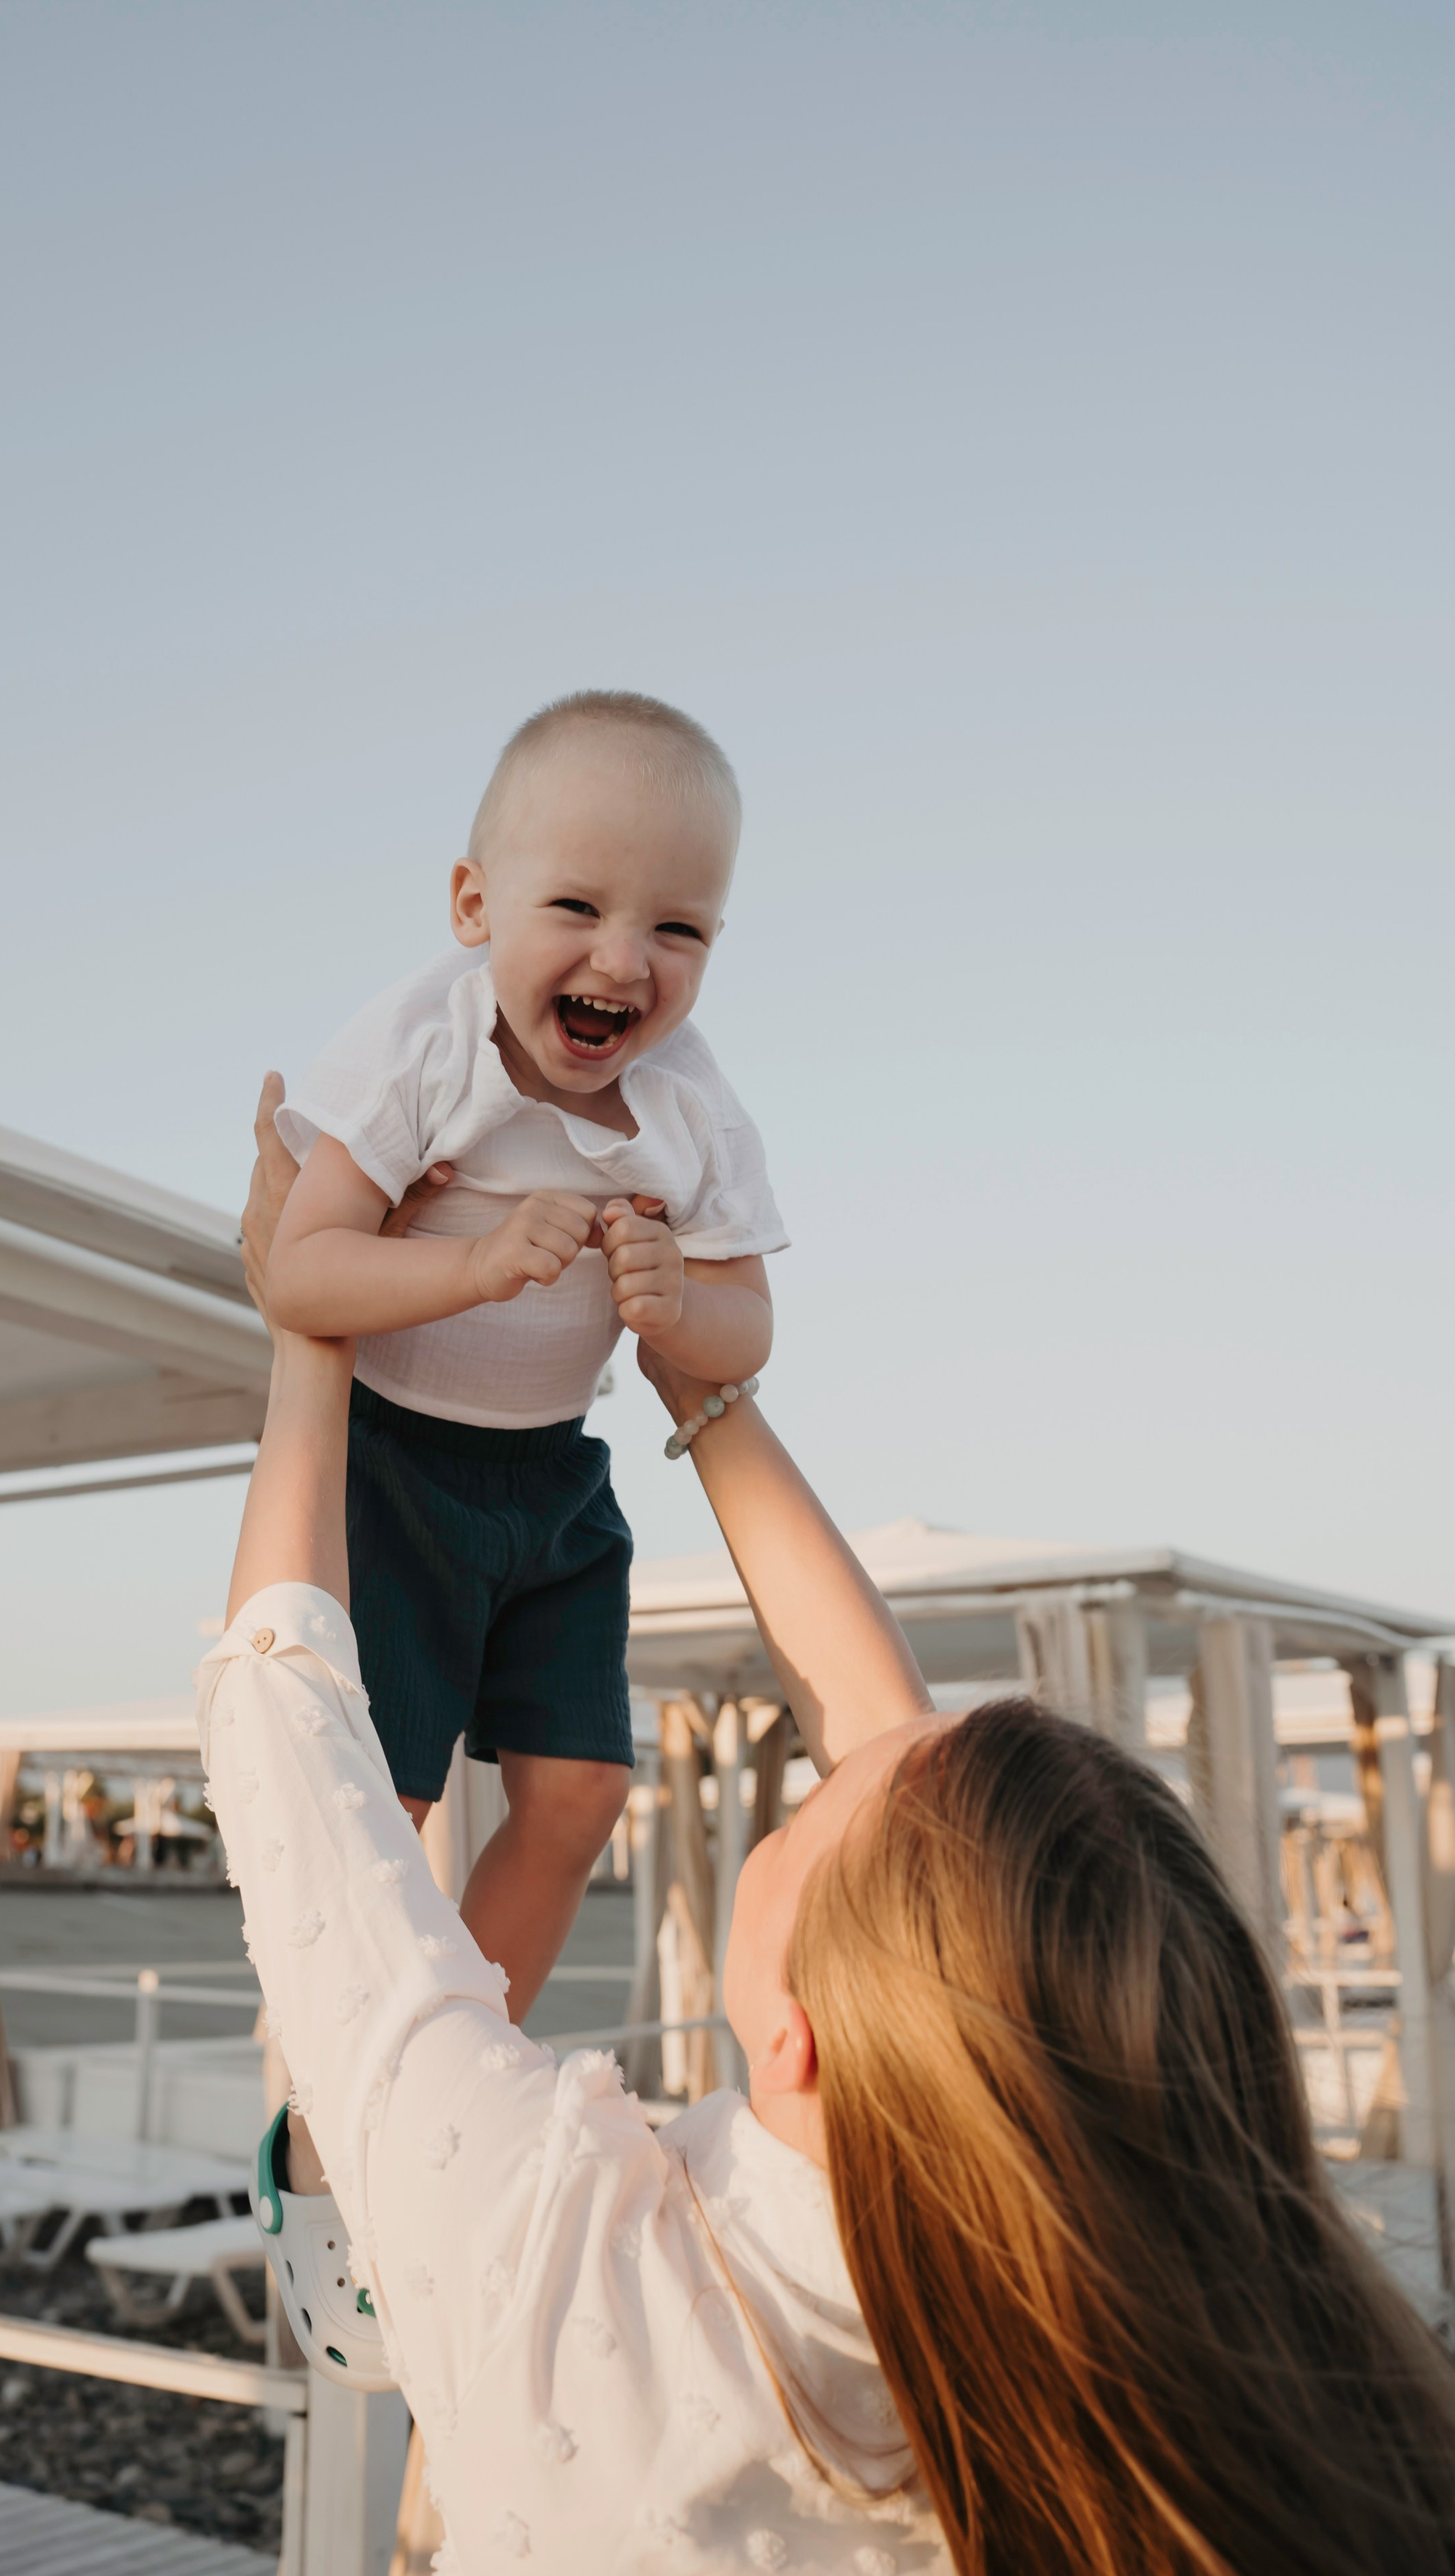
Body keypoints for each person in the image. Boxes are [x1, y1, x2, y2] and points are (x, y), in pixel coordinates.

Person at [204, 1083, 1455, 2576]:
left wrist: (311, 1324)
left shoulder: (558, 2246)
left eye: (817, 1802)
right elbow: (895, 1789)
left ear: (795, 2034)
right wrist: (699, 1383)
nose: (850, 1743)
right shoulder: (1160, 2376)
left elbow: (290, 1733)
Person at [264, 690, 783, 2018]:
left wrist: (676, 1301)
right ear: (473, 905)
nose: (625, 958)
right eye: (579, 907)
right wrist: (475, 1265)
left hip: (553, 1478)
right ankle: (348, 2088)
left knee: (584, 1788)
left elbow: (750, 1329)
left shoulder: (693, 1107)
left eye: (677, 928)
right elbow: (301, 1268)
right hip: (393, 1465)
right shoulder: (423, 1048)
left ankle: (475, 2054)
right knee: (388, 1804)